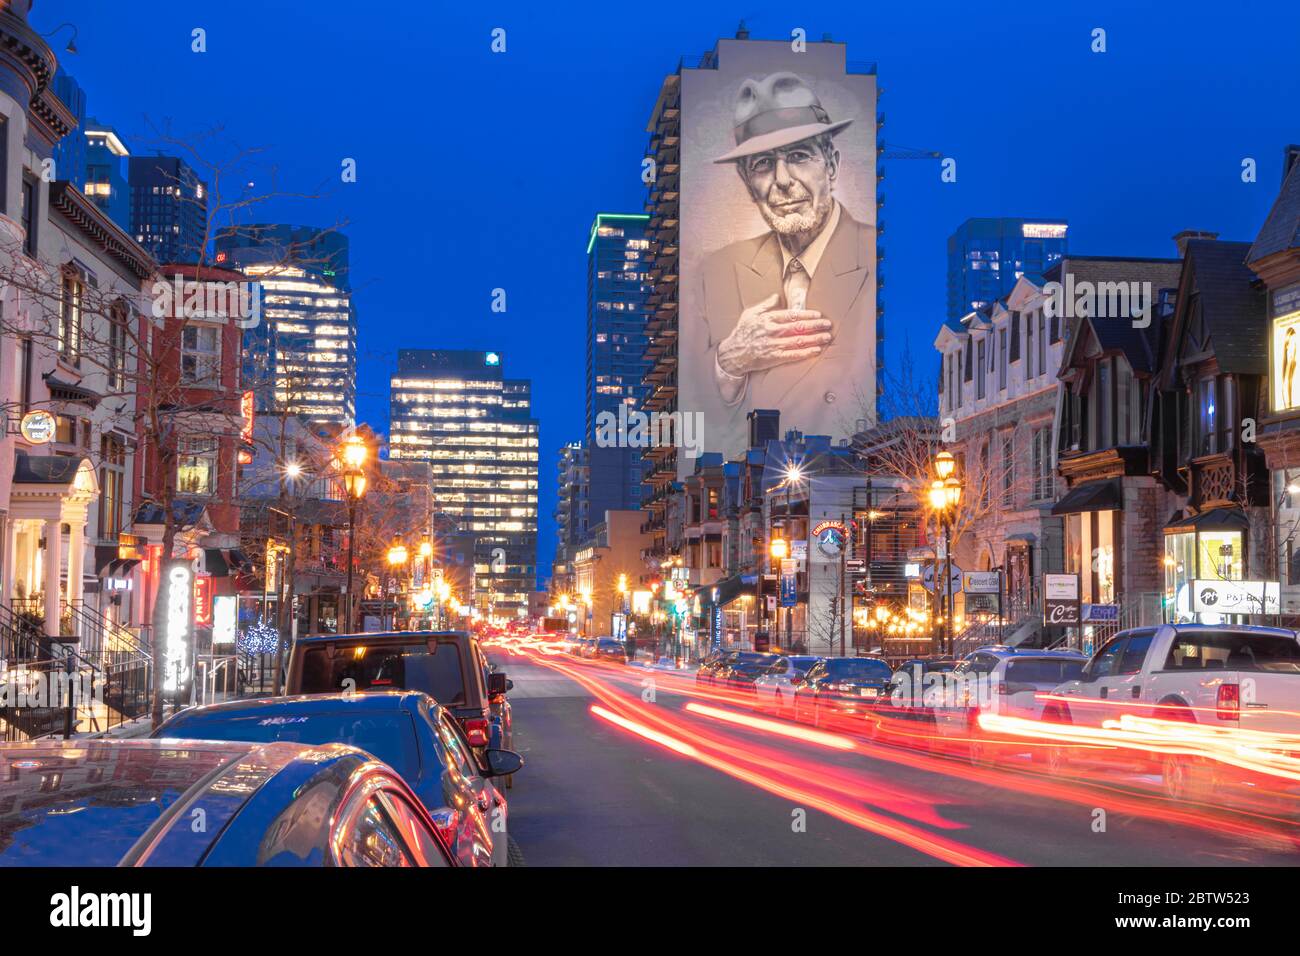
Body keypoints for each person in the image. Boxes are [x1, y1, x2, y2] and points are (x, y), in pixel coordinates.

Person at [688, 71, 875, 449]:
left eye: (798, 156)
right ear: (746, 180)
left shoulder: (876, 257)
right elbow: (696, 417)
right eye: (762, 164)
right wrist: (728, 362)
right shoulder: (714, 271)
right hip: (760, 488)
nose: (782, 180)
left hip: (841, 480)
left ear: (832, 166)